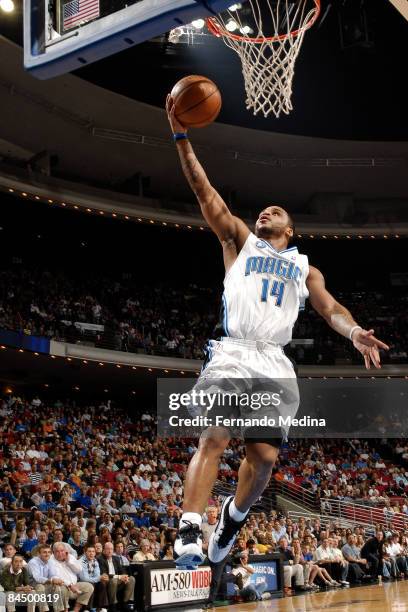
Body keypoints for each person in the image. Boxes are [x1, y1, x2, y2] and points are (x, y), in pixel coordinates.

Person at [166, 95, 389, 569]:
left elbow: (330, 309)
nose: (266, 213)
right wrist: (182, 137)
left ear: (292, 229)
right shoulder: (239, 241)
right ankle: (189, 526)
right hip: (234, 351)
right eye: (263, 211)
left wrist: (353, 334)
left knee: (264, 459)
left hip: (274, 361)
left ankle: (233, 515)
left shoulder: (305, 267)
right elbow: (205, 192)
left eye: (275, 212)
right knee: (214, 434)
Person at [48, 542, 94, 612]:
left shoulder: (70, 557)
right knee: (62, 589)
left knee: (89, 587)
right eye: (57, 551)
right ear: (53, 552)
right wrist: (70, 585)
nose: (60, 553)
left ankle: (75, 610)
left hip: (74, 585)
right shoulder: (51, 561)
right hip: (62, 586)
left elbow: (79, 570)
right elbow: (57, 577)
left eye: (62, 551)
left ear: (65, 550)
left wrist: (69, 561)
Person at [27, 545, 66, 612]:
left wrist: (56, 580)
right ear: (39, 554)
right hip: (32, 585)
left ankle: (59, 610)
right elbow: (37, 578)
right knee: (40, 586)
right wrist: (52, 580)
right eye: (44, 552)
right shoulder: (33, 562)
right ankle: (44, 610)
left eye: (49, 552)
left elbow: (53, 574)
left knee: (56, 586)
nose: (47, 554)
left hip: (45, 584)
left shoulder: (50, 561)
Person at [97, 542, 135, 610]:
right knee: (113, 581)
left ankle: (126, 602)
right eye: (108, 549)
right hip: (108, 581)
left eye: (111, 549)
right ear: (104, 550)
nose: (109, 551)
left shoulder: (116, 558)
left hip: (118, 580)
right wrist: (119, 577)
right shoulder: (100, 559)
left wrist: (124, 576)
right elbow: (104, 573)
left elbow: (122, 570)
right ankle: (113, 604)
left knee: (131, 579)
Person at [79, 545, 109, 612]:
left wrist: (99, 578)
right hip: (81, 582)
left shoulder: (95, 561)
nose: (91, 553)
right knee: (90, 584)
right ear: (85, 552)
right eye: (89, 551)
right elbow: (84, 578)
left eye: (93, 551)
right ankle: (87, 608)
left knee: (102, 584)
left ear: (95, 553)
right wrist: (98, 578)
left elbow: (97, 574)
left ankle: (100, 607)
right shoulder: (81, 561)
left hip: (92, 580)